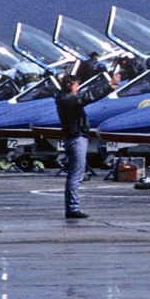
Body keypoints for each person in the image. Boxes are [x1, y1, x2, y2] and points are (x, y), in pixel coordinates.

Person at [55, 76, 92, 219]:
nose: (78, 89)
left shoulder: (63, 99)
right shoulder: (67, 100)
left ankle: (72, 207)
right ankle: (72, 208)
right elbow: (88, 98)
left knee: (75, 174)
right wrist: (108, 86)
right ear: (70, 85)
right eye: (76, 85)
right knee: (76, 174)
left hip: (74, 138)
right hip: (76, 138)